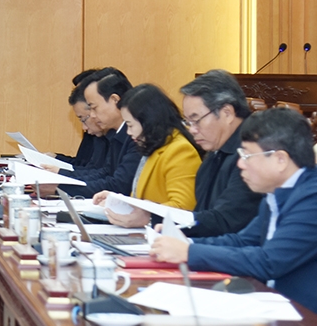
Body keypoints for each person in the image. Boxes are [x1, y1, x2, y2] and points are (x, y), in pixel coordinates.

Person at [152, 108, 317, 313]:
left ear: (280, 160)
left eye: (247, 155)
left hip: (305, 321)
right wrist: (185, 242)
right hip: (276, 306)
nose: (240, 164)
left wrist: (189, 252)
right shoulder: (278, 192)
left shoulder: (312, 198)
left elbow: (269, 262)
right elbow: (242, 241)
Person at [98, 83, 202, 223]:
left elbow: (182, 208)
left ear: (148, 121)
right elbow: (141, 200)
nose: (128, 132)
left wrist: (148, 218)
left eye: (130, 125)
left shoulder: (180, 150)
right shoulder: (154, 146)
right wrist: (118, 201)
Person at [175, 70, 261, 237]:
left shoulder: (252, 153)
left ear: (227, 113)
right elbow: (203, 214)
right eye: (188, 121)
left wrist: (160, 220)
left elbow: (226, 221)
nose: (192, 130)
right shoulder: (214, 153)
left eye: (196, 120)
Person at [62, 69, 142, 199]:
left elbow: (119, 186)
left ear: (115, 100)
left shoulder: (137, 135)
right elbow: (104, 172)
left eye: (94, 108)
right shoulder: (116, 134)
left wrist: (60, 185)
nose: (92, 115)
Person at [55, 69, 109, 169]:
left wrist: (59, 172)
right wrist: (56, 158)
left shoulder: (108, 134)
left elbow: (100, 175)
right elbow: (82, 164)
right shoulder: (94, 131)